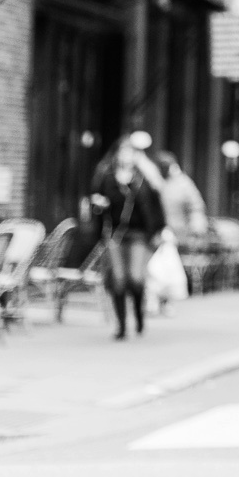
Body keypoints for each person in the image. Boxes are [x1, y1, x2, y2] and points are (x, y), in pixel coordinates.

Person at [90, 135, 168, 339]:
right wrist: (99, 207)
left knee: (136, 278)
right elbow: (97, 202)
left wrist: (160, 230)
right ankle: (122, 326)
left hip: (140, 234)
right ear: (116, 154)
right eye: (123, 151)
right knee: (118, 279)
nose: (126, 156)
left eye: (130, 152)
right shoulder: (106, 176)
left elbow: (156, 205)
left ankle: (140, 317)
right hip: (115, 235)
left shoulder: (144, 178)